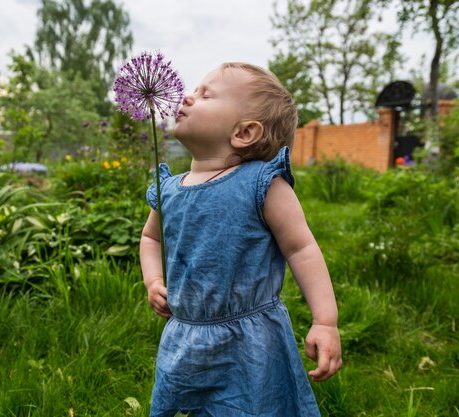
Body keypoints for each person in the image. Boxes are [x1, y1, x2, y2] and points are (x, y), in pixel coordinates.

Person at [140, 62, 342, 417]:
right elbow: (150, 238)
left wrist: (325, 321)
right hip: (185, 334)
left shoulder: (262, 184)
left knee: (253, 408)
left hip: (251, 340)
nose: (188, 96)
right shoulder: (169, 189)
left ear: (244, 133)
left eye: (206, 94)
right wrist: (154, 278)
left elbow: (302, 248)